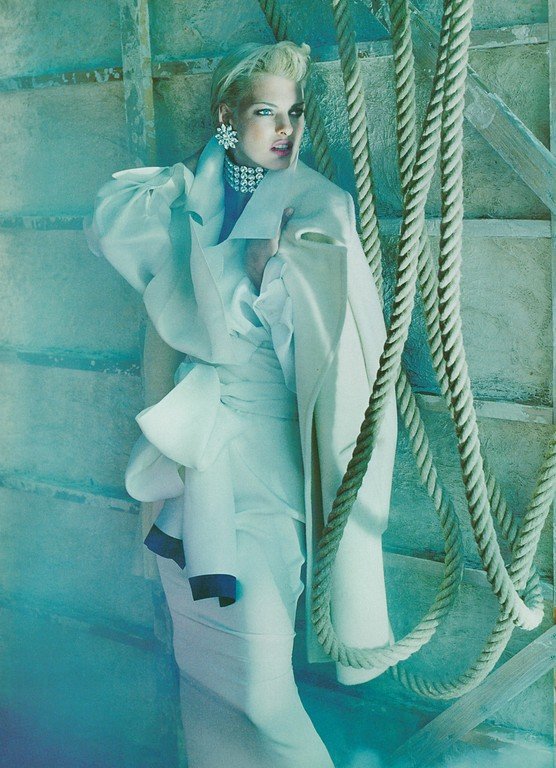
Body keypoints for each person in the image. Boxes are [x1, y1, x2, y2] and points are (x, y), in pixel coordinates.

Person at [85, 40, 397, 768]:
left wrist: (272, 275)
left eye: (294, 113)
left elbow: (340, 358)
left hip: (271, 469)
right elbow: (109, 227)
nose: (285, 128)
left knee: (260, 684)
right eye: (265, 113)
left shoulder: (318, 207)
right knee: (207, 681)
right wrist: (190, 178)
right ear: (227, 117)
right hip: (196, 463)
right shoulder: (194, 196)